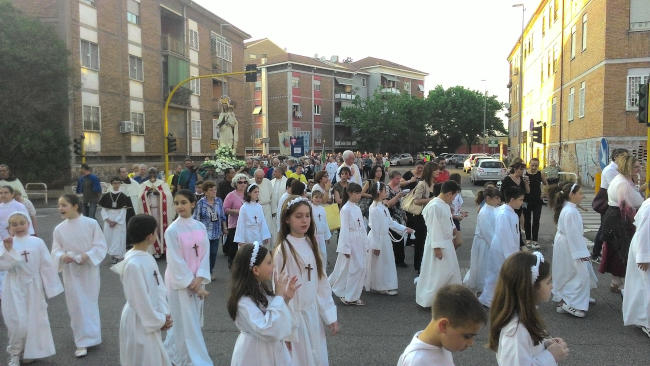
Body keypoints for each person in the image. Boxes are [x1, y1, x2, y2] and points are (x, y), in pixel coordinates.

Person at [273, 195, 338, 365]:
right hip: (295, 318)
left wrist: (329, 315)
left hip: (313, 314)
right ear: (287, 219)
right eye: (298, 216)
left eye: (307, 215)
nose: (305, 220)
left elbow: (321, 283)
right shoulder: (283, 250)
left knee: (317, 356)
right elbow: (279, 293)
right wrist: (286, 330)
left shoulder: (311, 243)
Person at [1, 212, 63, 366]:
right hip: (14, 286)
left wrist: (51, 288)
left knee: (35, 320)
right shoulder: (6, 243)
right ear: (9, 229)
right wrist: (8, 250)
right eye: (14, 224)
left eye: (22, 223)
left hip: (34, 287)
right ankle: (14, 353)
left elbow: (46, 265)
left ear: (28, 224)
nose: (19, 226)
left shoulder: (37, 242)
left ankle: (30, 351)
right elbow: (4, 266)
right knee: (17, 322)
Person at [111, 214, 172, 366]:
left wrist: (164, 314)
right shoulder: (133, 264)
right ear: (150, 236)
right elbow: (139, 301)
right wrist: (159, 320)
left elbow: (159, 289)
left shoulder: (146, 257)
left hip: (151, 317)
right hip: (139, 320)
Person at [488, 252, 570, 366]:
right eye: (548, 282)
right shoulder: (516, 330)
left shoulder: (523, 317)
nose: (552, 286)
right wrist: (551, 355)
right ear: (530, 288)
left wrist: (545, 345)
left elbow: (525, 352)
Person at [51, 194, 107, 358]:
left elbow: (100, 245)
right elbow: (55, 250)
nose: (60, 208)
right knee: (76, 304)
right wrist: (62, 256)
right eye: (59, 205)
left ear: (75, 206)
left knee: (89, 302)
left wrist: (87, 255)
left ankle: (93, 336)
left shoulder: (91, 224)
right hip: (71, 272)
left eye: (64, 205)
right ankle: (81, 341)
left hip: (88, 270)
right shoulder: (59, 229)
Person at [162, 189, 212, 366]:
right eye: (176, 203)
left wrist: (200, 278)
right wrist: (193, 284)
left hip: (196, 280)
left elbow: (205, 255)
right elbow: (175, 260)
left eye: (183, 202)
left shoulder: (200, 227)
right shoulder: (172, 230)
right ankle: (187, 358)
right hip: (180, 282)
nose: (179, 206)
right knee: (183, 320)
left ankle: (172, 353)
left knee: (192, 320)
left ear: (192, 204)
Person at [228, 243, 298, 366]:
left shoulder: (260, 289)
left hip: (269, 350)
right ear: (256, 270)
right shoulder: (243, 301)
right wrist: (279, 297)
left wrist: (285, 299)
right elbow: (266, 328)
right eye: (269, 263)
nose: (273, 266)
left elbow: (273, 314)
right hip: (254, 353)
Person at [397, 285, 486, 366]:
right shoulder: (417, 361)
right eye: (467, 336)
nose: (471, 343)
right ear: (443, 325)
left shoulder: (441, 343)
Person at [550, 182, 597, 318]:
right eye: (580, 193)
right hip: (569, 245)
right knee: (578, 274)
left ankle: (574, 299)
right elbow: (574, 235)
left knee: (568, 272)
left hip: (566, 243)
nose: (582, 196)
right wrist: (581, 254)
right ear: (571, 195)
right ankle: (570, 303)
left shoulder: (569, 208)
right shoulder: (570, 211)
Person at [600, 155, 645, 293]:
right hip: (620, 220)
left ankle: (616, 282)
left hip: (616, 218)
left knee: (616, 250)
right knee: (623, 251)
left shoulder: (623, 180)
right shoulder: (622, 183)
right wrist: (637, 222)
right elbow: (625, 207)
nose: (639, 169)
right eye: (636, 167)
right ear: (628, 167)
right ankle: (622, 284)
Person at [416, 181, 462, 308]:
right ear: (448, 194)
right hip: (438, 244)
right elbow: (434, 228)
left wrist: (454, 230)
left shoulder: (444, 205)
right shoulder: (434, 206)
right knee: (437, 274)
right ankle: (431, 300)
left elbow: (448, 220)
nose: (454, 199)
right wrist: (437, 248)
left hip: (447, 243)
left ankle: (449, 299)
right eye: (454, 196)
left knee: (450, 272)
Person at [479, 186, 525, 308]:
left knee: (498, 275)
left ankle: (495, 298)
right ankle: (490, 300)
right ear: (511, 199)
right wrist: (512, 254)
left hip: (505, 248)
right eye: (520, 199)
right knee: (497, 274)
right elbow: (505, 236)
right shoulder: (504, 214)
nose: (522, 202)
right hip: (502, 249)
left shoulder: (509, 212)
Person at [365, 181, 413, 296]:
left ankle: (381, 284)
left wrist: (404, 228)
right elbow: (375, 228)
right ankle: (379, 286)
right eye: (384, 190)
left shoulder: (382, 206)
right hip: (378, 239)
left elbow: (390, 223)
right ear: (378, 192)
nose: (386, 192)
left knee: (385, 262)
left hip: (384, 239)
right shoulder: (374, 209)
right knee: (379, 264)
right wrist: (376, 246)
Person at [329, 183, 369, 306]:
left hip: (359, 241)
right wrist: (345, 248)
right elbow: (344, 230)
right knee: (353, 269)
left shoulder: (356, 208)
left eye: (359, 193)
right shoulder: (345, 209)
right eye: (356, 193)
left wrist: (366, 243)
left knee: (359, 268)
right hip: (350, 241)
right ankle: (349, 296)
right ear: (350, 193)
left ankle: (350, 294)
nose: (359, 196)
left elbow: (362, 227)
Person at [592, 148, 630, 262]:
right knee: (604, 227)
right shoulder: (610, 170)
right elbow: (617, 186)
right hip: (608, 200)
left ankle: (600, 252)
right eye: (624, 156)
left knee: (606, 227)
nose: (626, 159)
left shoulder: (619, 169)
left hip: (613, 200)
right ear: (616, 157)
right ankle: (595, 254)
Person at [463, 186, 501, 294]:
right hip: (485, 243)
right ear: (488, 198)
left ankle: (488, 286)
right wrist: (496, 244)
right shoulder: (484, 212)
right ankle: (482, 286)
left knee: (487, 265)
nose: (499, 201)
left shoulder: (492, 209)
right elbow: (487, 232)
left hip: (489, 241)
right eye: (497, 198)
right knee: (483, 265)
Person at [622, 197, 650, 338]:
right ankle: (647, 322)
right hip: (645, 250)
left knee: (642, 285)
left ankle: (641, 317)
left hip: (643, 248)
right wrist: (644, 257)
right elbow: (644, 232)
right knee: (646, 286)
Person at [407, 162, 439, 276]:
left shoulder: (434, 184)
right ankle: (419, 266)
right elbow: (416, 200)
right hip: (421, 217)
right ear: (430, 171)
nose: (438, 172)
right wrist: (431, 199)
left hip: (430, 216)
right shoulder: (422, 184)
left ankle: (426, 265)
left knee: (428, 241)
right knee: (420, 242)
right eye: (436, 170)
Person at [136, 168, 175, 258]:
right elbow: (139, 198)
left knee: (161, 229)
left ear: (157, 173)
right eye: (150, 173)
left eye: (154, 172)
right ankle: (154, 250)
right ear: (148, 174)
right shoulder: (144, 185)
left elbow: (169, 196)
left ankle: (164, 250)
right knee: (151, 230)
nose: (152, 174)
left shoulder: (163, 184)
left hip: (161, 212)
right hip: (149, 211)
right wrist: (146, 194)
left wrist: (159, 194)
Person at [194, 181, 227, 280]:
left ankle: (210, 271)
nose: (214, 191)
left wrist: (224, 228)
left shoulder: (219, 201)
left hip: (216, 232)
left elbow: (222, 216)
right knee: (204, 254)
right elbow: (196, 217)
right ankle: (203, 272)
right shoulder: (201, 202)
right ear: (205, 192)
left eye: (215, 189)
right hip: (204, 233)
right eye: (211, 190)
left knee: (213, 253)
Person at [98, 177, 132, 264]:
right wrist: (108, 220)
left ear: (120, 184)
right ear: (111, 184)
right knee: (109, 238)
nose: (116, 185)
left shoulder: (124, 196)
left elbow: (123, 210)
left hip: (119, 219)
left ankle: (116, 256)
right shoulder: (106, 195)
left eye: (118, 183)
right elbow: (103, 210)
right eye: (114, 183)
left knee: (118, 238)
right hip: (108, 219)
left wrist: (116, 221)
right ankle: (111, 254)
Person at [224, 174, 249, 268]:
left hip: (247, 225)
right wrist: (237, 212)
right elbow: (225, 209)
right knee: (234, 247)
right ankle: (232, 265)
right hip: (234, 224)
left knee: (245, 247)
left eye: (245, 182)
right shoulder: (231, 195)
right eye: (240, 182)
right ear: (235, 183)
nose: (243, 184)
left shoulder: (249, 195)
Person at [385, 170, 408, 267]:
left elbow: (401, 203)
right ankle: (397, 260)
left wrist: (404, 214)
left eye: (400, 178)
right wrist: (398, 196)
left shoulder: (398, 187)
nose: (399, 180)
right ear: (391, 178)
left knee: (401, 237)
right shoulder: (386, 188)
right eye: (397, 178)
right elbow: (387, 204)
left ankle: (399, 259)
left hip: (400, 215)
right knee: (395, 238)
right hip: (392, 216)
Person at [524, 158, 548, 250]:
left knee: (536, 220)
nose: (534, 167)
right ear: (529, 164)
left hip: (537, 200)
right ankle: (528, 239)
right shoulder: (525, 174)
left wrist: (544, 193)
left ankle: (535, 240)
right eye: (532, 165)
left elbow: (546, 184)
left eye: (536, 165)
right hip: (526, 200)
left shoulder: (540, 173)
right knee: (527, 220)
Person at [250, 169, 275, 245]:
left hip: (266, 208)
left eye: (261, 178)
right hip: (254, 208)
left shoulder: (267, 182)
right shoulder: (250, 182)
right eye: (257, 178)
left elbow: (272, 196)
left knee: (267, 228)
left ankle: (267, 249)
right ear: (254, 176)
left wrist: (273, 211)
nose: (259, 179)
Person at [310, 190, 331, 262]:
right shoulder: (310, 208)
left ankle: (322, 272)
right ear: (312, 198)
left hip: (321, 236)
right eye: (316, 197)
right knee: (314, 255)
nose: (318, 199)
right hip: (313, 235)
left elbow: (325, 223)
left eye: (320, 198)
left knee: (323, 254)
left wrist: (327, 236)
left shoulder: (322, 209)